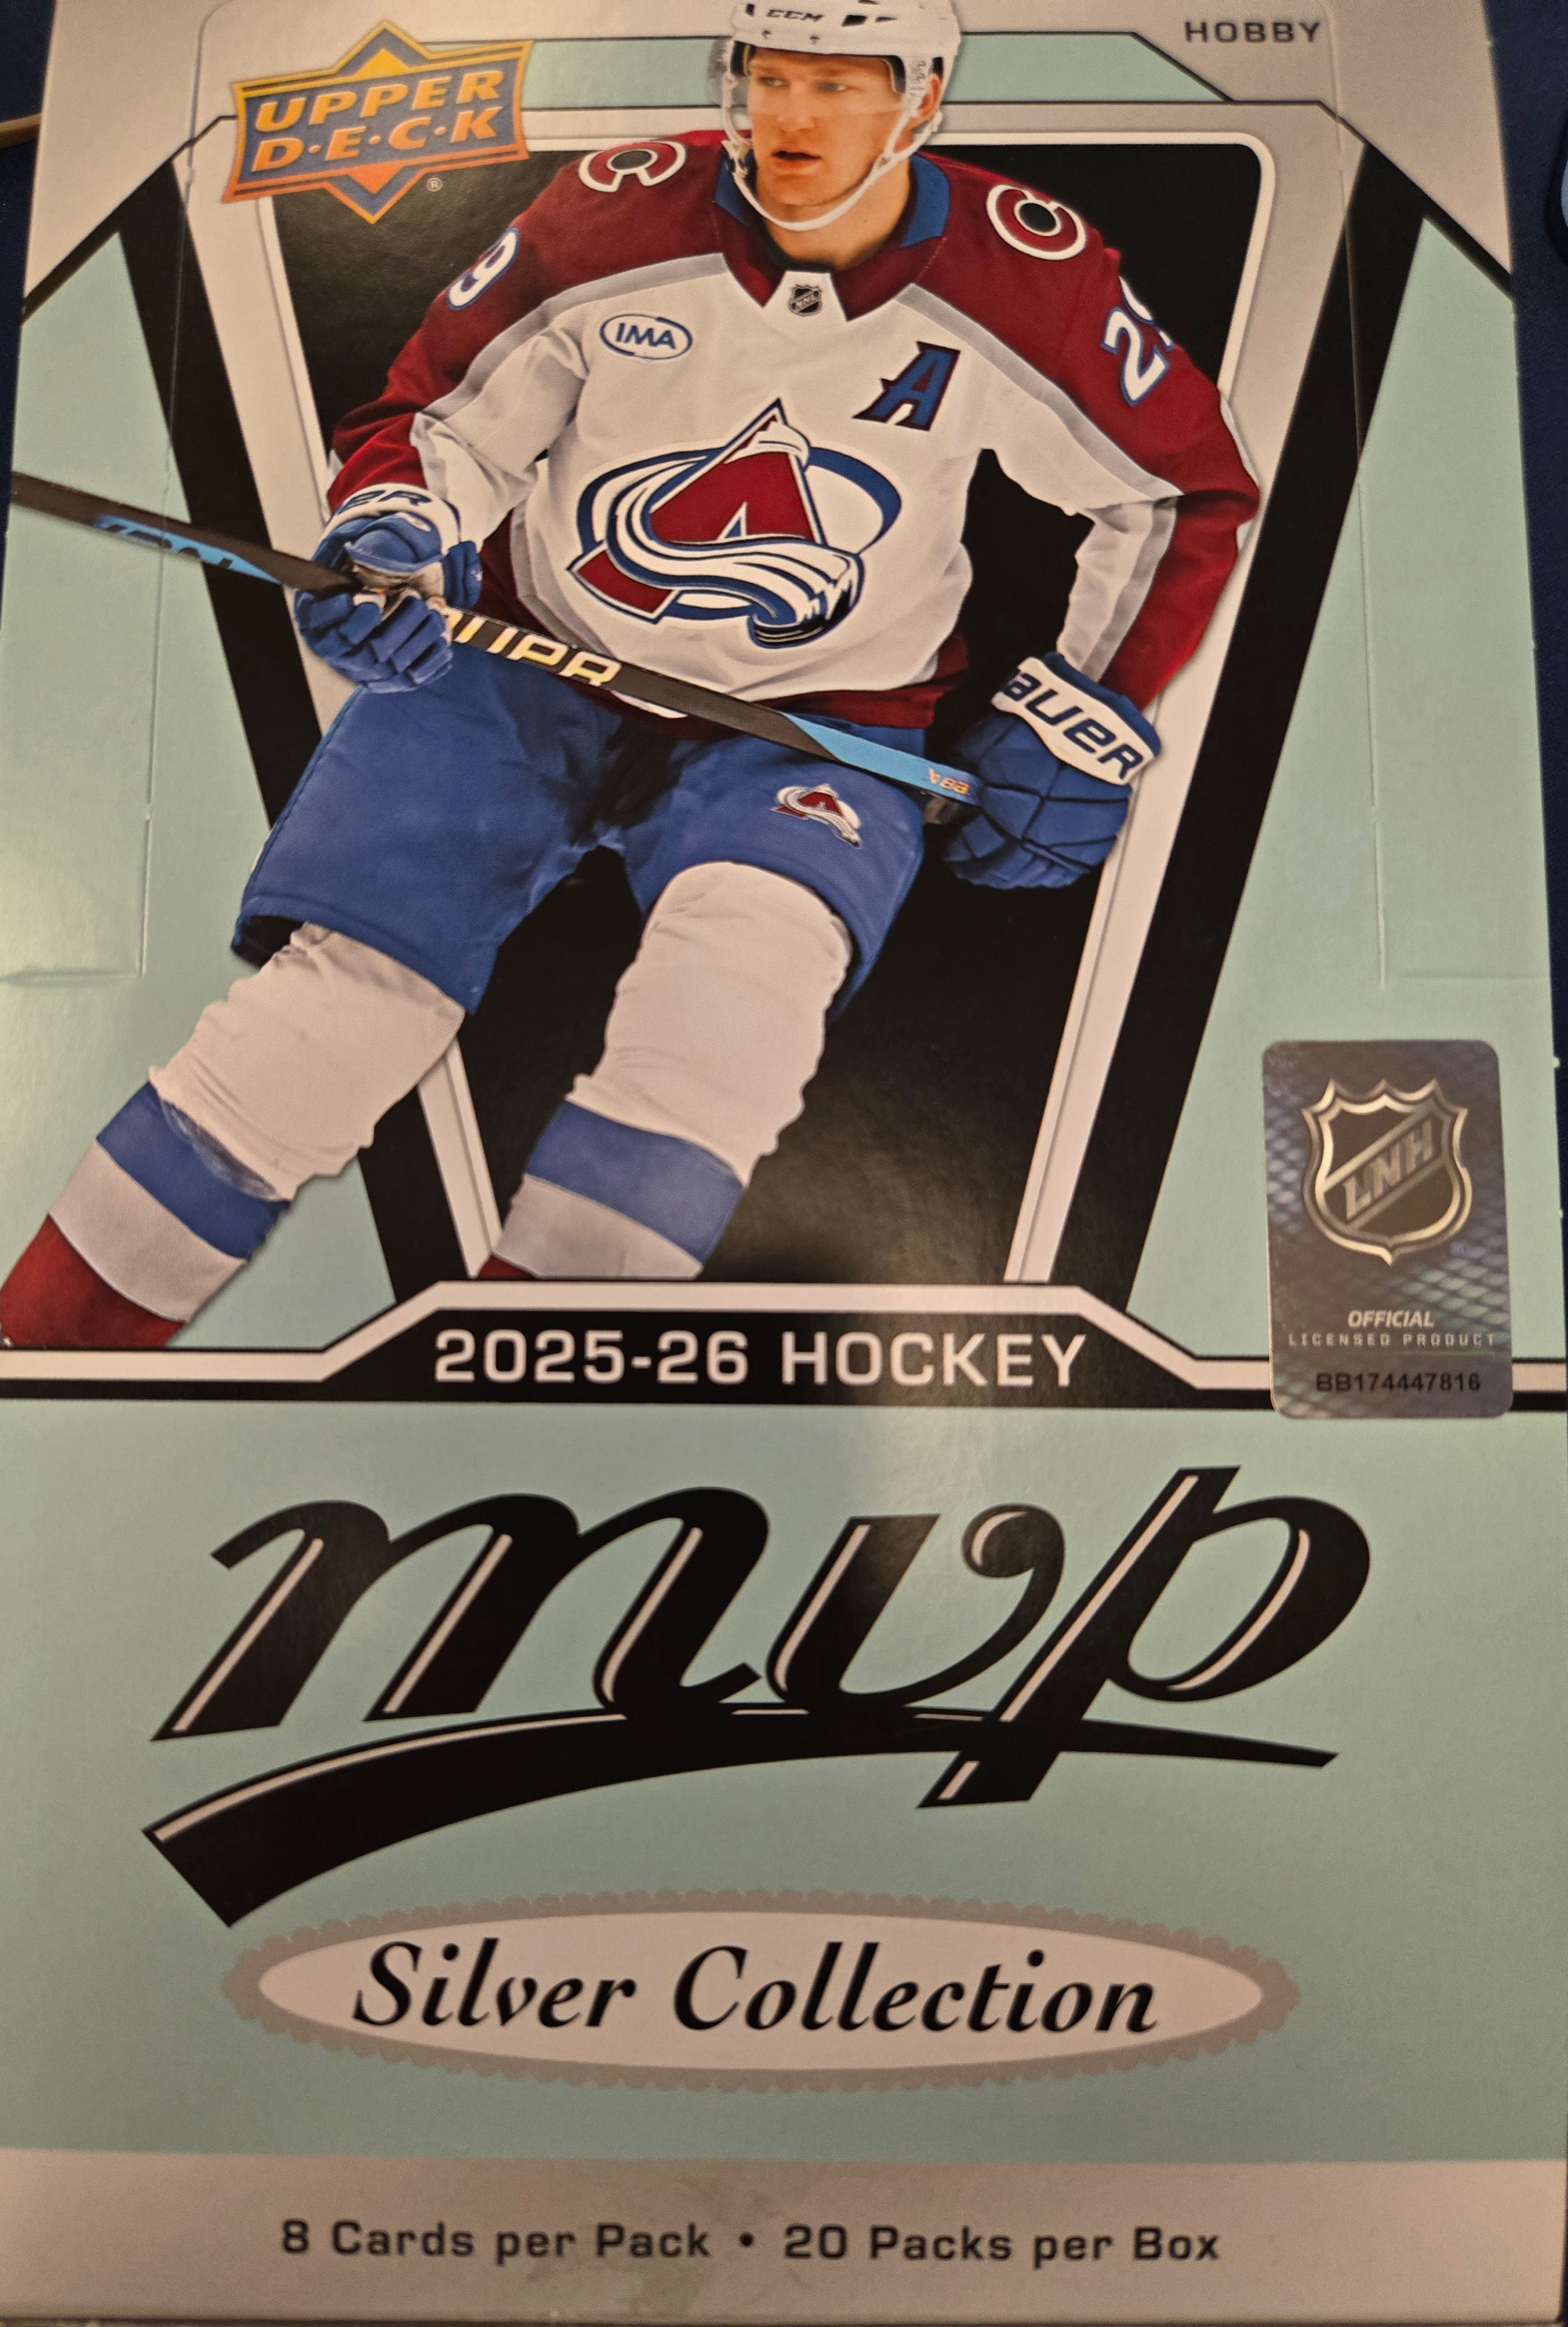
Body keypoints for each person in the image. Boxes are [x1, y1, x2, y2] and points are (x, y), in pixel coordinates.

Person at [0, 0, 1259, 1349]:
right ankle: (39, 1365)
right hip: (530, 657)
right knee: (321, 1027)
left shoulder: (1024, 272)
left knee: (727, 1030)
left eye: (841, 85)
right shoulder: (615, 212)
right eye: (771, 76)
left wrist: (1083, 704)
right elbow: (440, 413)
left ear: (923, 99)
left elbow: (1181, 489)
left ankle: (518, 1395)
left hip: (817, 719)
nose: (792, 118)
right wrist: (395, 540)